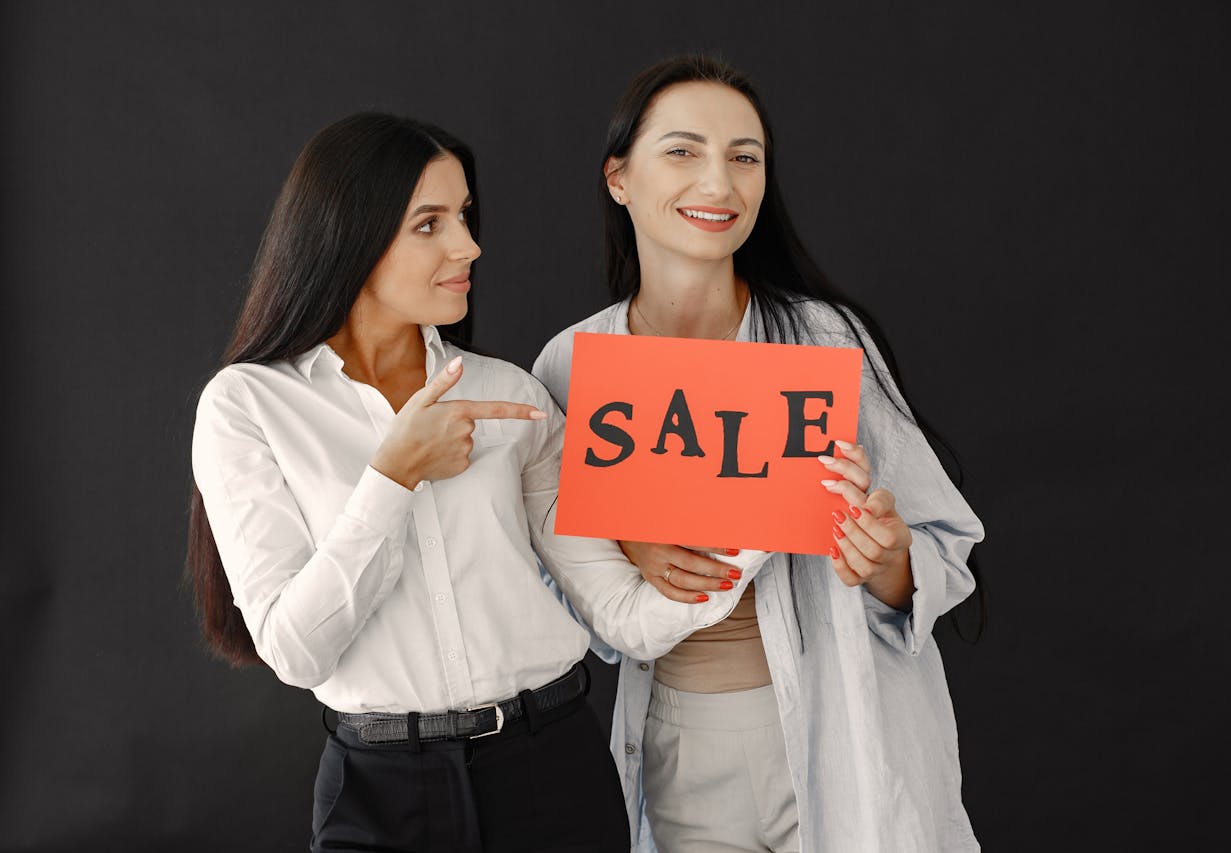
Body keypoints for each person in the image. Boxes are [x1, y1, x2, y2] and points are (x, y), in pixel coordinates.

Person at [187, 112, 759, 853]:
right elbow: (298, 652)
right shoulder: (250, 405)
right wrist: (394, 474)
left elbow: (617, 611)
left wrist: (747, 538)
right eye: (430, 224)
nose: (469, 246)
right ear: (348, 234)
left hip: (550, 771)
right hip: (380, 791)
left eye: (462, 215)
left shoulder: (511, 394)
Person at [533, 56, 986, 852]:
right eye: (682, 151)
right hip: (680, 738)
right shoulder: (571, 366)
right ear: (618, 177)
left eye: (745, 157)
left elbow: (944, 548)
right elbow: (552, 585)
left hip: (840, 721)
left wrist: (885, 560)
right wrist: (617, 536)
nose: (720, 181)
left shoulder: (823, 339)